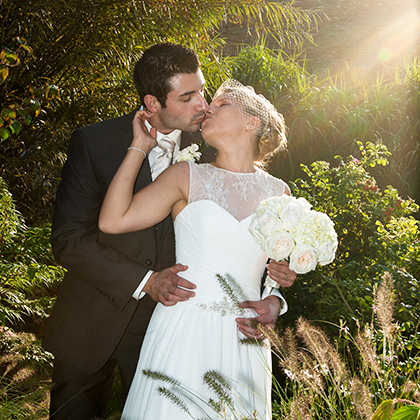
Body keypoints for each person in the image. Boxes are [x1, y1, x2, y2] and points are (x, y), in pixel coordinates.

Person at [43, 43, 296, 420]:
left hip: (180, 323)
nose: (203, 106)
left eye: (205, 93)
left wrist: (275, 298)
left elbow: (268, 257)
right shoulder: (95, 143)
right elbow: (69, 240)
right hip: (96, 317)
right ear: (153, 102)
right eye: (188, 97)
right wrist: (145, 280)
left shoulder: (211, 143)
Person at [99, 79, 292, 419]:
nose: (207, 109)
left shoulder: (280, 193)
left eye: (221, 105)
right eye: (209, 104)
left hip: (243, 335)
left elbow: (279, 272)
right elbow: (113, 220)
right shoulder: (185, 176)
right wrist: (139, 146)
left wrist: (275, 301)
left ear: (252, 122)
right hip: (184, 325)